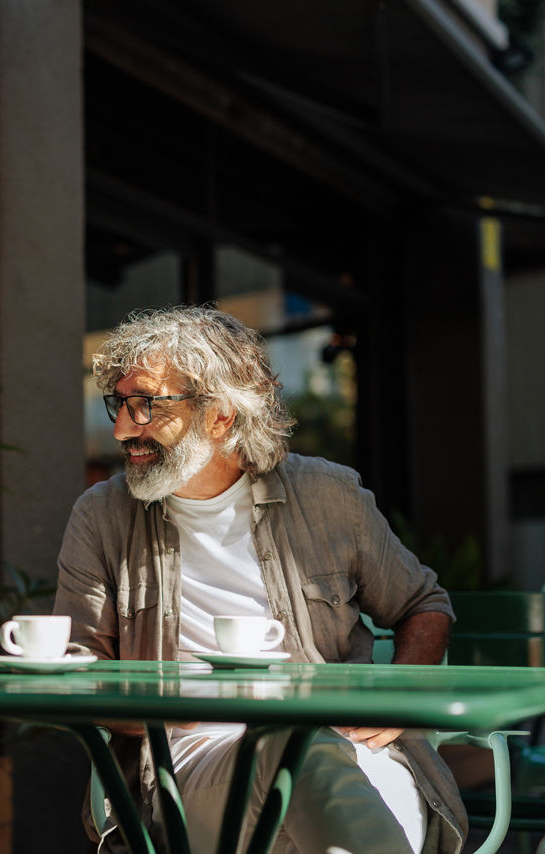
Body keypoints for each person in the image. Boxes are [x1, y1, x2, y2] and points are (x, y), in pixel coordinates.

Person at [54, 305, 466, 854]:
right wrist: (174, 704)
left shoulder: (328, 496)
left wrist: (400, 695)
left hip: (358, 757)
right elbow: (77, 670)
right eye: (120, 405)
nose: (122, 428)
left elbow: (424, 605)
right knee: (292, 746)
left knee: (308, 757)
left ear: (220, 416)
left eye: (146, 405)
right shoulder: (101, 515)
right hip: (194, 767)